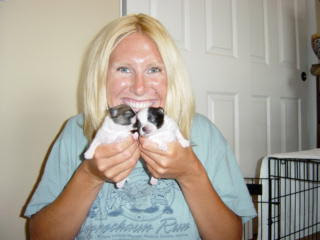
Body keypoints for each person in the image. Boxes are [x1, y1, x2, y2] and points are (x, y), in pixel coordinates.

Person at [24, 14, 256, 240]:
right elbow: (40, 235)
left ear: (171, 77)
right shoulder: (76, 130)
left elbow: (230, 236)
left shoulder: (204, 133)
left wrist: (190, 173)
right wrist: (89, 175)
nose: (139, 87)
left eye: (154, 69)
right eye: (124, 69)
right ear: (101, 76)